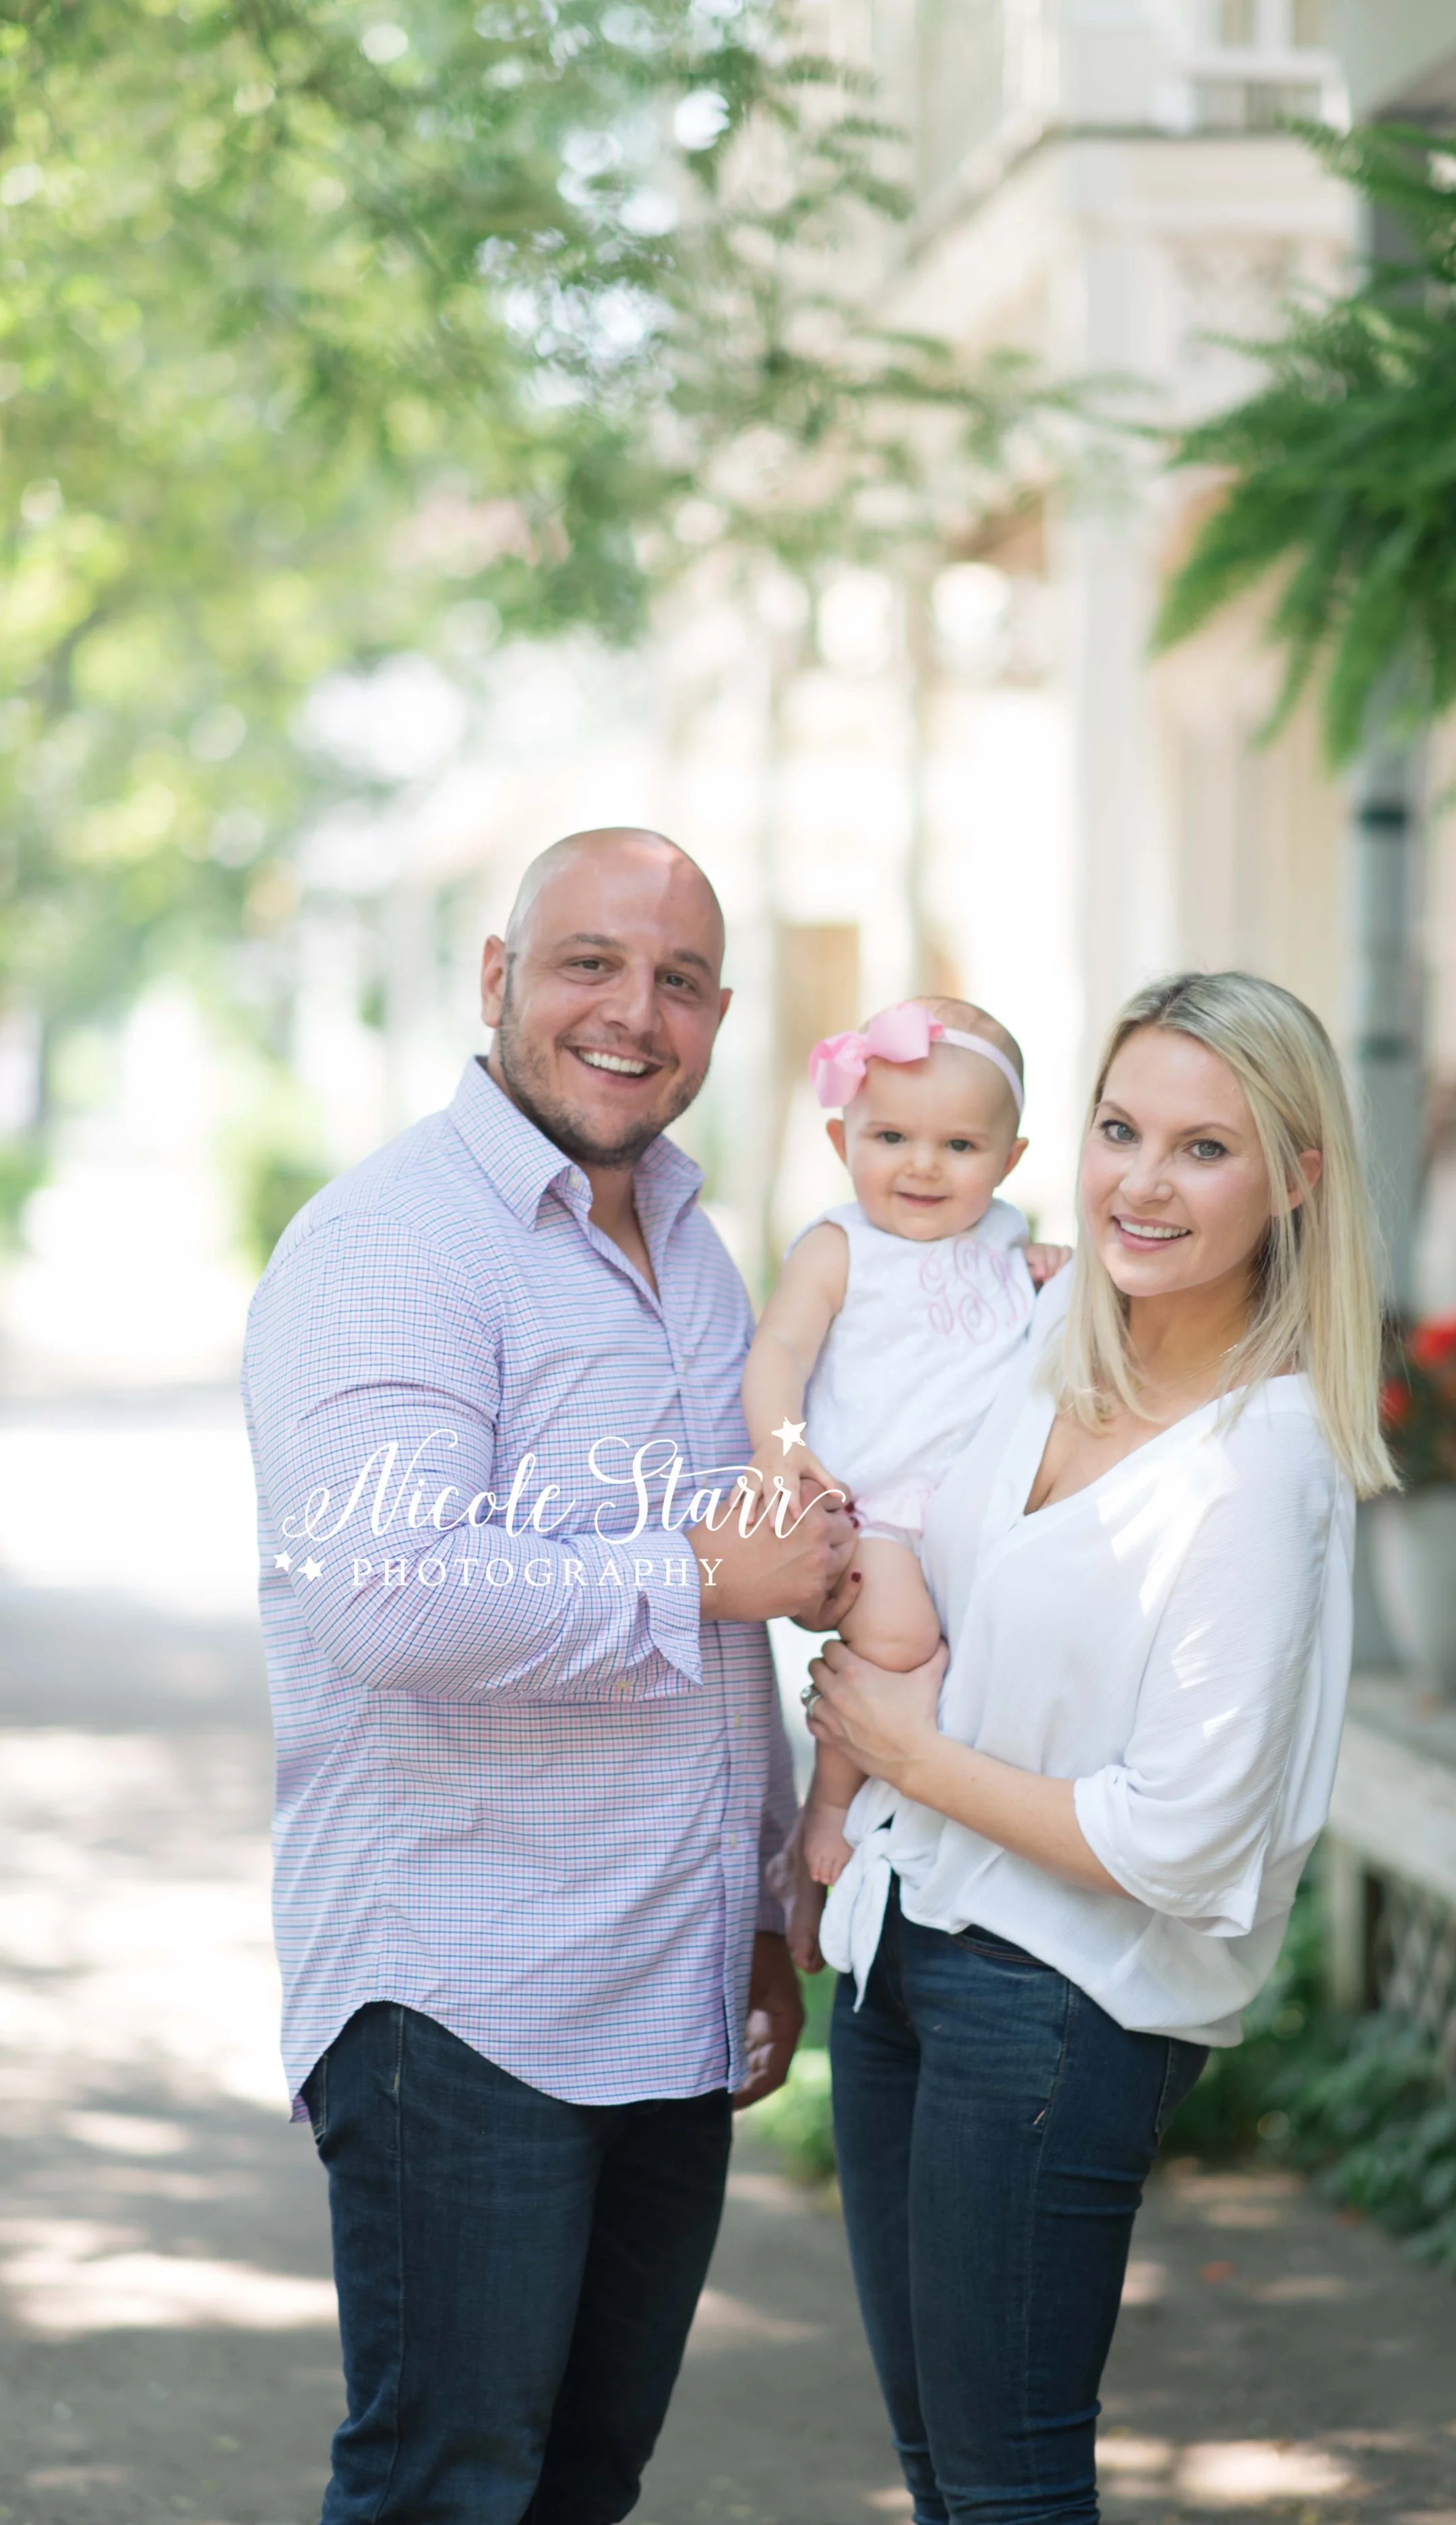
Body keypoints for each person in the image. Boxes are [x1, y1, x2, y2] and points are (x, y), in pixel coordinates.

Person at [241, 827, 855, 2525]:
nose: (632, 1013)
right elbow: (385, 1593)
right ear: (500, 978)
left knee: (584, 2484)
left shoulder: (693, 1250)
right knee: (449, 2488)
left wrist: (756, 1908)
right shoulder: (392, 1246)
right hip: (464, 1994)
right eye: (589, 963)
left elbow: (731, 1631)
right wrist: (694, 1571)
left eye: (678, 980)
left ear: (717, 1015)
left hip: (664, 1988)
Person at [803, 969, 1397, 2525]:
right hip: (899, 1950)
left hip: (1056, 2004)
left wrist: (903, 1755)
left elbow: (1180, 1843)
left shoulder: (1257, 1471)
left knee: (1006, 2490)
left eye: (1203, 1149)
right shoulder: (1036, 1345)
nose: (1141, 1181)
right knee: (943, 2479)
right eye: (1118, 1129)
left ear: (1292, 1180)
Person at [739, 996, 1066, 1944]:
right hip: (871, 1507)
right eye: (891, 1137)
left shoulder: (1005, 1238)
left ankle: (927, 1827)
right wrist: (782, 1446)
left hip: (979, 1515)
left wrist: (1043, 1262)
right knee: (899, 1640)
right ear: (842, 1140)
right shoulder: (840, 1246)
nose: (922, 1165)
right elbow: (779, 1350)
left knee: (976, 1669)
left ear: (1009, 1160)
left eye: (960, 1146)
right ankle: (830, 1804)